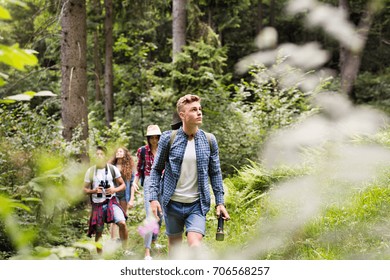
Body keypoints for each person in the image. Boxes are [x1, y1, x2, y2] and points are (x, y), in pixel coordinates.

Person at [149, 94, 230, 258]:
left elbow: (215, 173)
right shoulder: (168, 139)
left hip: (197, 205)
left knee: (195, 246)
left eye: (200, 109)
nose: (199, 112)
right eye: (194, 110)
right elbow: (156, 169)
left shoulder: (209, 140)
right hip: (172, 204)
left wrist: (220, 202)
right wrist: (153, 198)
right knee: (175, 250)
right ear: (182, 115)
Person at [83, 146, 129, 255]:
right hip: (97, 205)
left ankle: (125, 250)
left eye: (101, 154)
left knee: (122, 223)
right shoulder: (90, 171)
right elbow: (84, 189)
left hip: (111, 202)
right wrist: (94, 191)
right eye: (97, 154)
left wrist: (114, 190)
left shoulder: (112, 169)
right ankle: (100, 256)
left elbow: (123, 185)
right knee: (99, 233)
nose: (99, 156)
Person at [132, 124, 164, 260]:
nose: (154, 140)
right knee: (150, 216)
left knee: (160, 215)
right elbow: (139, 169)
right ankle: (147, 251)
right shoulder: (142, 151)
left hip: (163, 182)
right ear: (148, 138)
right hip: (149, 182)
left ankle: (154, 239)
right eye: (152, 138)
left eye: (157, 137)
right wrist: (135, 182)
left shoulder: (164, 149)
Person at [108, 147, 136, 241]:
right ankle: (113, 239)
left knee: (122, 217)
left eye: (120, 151)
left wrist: (132, 198)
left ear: (125, 154)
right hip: (113, 194)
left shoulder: (129, 167)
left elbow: (132, 183)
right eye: (117, 151)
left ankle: (121, 239)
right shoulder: (111, 166)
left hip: (124, 194)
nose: (118, 152)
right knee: (113, 217)